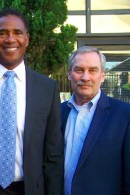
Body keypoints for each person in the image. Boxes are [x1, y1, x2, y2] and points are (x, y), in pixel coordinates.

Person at [0, 8, 63, 195]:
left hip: (30, 189)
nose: (10, 39)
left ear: (27, 39)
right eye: (2, 33)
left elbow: (53, 155)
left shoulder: (47, 89)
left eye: (17, 32)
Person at [62, 46, 130, 195]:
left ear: (103, 76)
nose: (85, 77)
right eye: (79, 70)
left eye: (92, 70)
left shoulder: (125, 116)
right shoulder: (57, 112)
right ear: (69, 73)